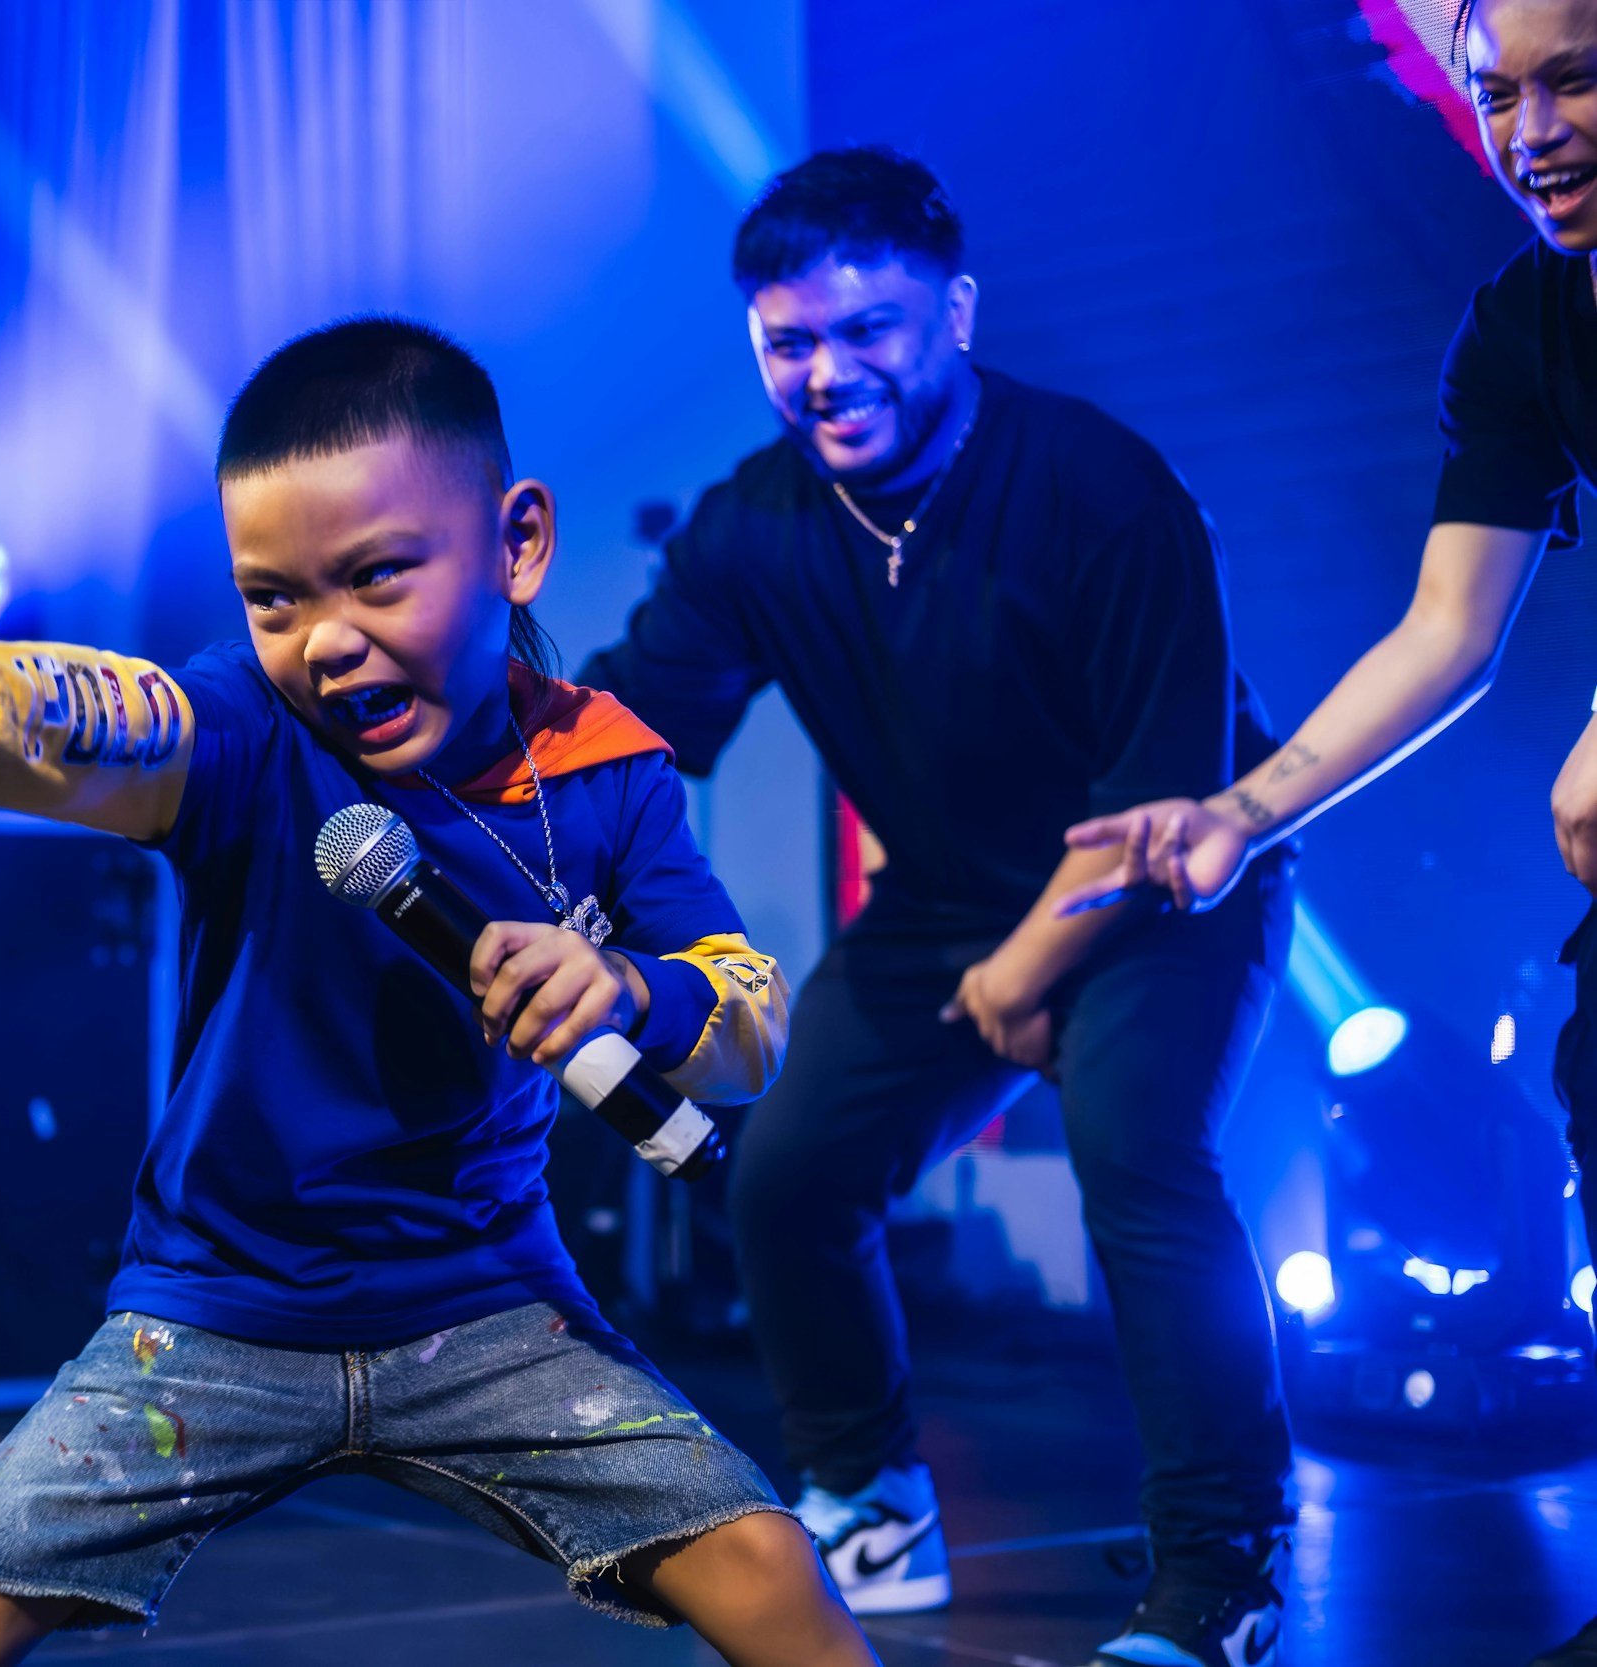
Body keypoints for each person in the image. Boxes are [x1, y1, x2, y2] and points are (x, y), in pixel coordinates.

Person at [0, 317, 877, 1667]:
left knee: (773, 1568)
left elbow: (747, 1014)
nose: (328, 642)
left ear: (517, 540)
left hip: (488, 1306)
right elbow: (89, 709)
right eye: (276, 598)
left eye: (378, 578)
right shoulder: (253, 726)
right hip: (215, 1312)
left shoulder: (610, 771)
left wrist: (627, 986)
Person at [575, 149, 1295, 1667]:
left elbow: (1172, 801)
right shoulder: (753, 526)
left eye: (870, 330)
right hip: (951, 904)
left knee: (1138, 1158)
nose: (828, 374)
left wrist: (1029, 971)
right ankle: (869, 1495)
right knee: (783, 1176)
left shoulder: (1104, 487)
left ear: (955, 312)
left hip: (1171, 891)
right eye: (790, 342)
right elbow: (625, 736)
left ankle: (1224, 1571)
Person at [1061, 4, 1597, 1661]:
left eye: (1575, 75)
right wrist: (1235, 810)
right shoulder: (1523, 323)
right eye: (1496, 90)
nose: (1532, 128)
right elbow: (1447, 630)